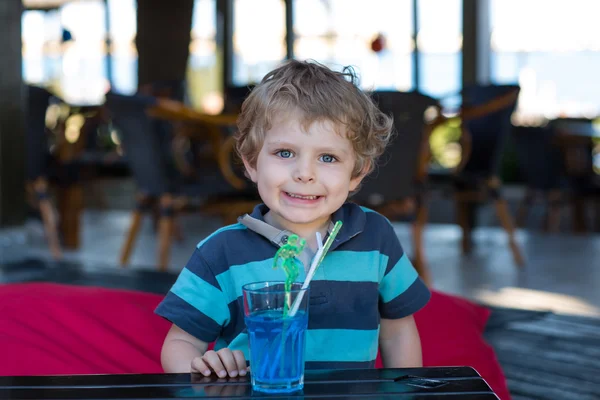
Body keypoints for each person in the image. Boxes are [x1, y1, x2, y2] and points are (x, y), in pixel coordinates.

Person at [155, 59, 431, 378]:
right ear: (251, 162)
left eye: (327, 158)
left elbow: (397, 332)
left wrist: (405, 390)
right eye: (285, 153)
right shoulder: (219, 253)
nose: (304, 174)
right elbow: (180, 343)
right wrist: (202, 368)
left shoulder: (376, 237)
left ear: (357, 173)